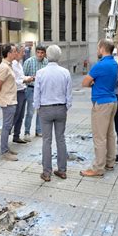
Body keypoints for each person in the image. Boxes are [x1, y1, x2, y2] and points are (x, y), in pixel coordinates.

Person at [80, 39, 118, 177]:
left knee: (99, 137)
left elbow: (85, 82)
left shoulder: (99, 65)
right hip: (113, 101)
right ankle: (110, 161)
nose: (97, 50)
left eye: (98, 48)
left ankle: (98, 168)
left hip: (101, 103)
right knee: (109, 134)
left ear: (102, 48)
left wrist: (93, 84)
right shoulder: (114, 63)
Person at [34, 45, 72, 181]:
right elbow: (69, 94)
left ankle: (46, 172)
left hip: (45, 108)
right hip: (61, 108)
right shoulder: (65, 72)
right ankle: (62, 170)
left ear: (46, 56)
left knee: (46, 140)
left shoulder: (40, 73)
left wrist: (37, 107)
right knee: (61, 139)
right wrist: (66, 106)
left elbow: (36, 94)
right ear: (59, 56)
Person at [0, 43, 18, 161]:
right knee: (6, 126)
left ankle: (6, 148)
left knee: (8, 126)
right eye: (14, 51)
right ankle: (4, 151)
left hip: (11, 100)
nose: (16, 53)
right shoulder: (4, 67)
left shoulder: (9, 65)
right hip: (7, 101)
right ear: (8, 53)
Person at [23, 45, 48, 141]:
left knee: (40, 112)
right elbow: (23, 76)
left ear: (44, 53)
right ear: (35, 52)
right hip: (31, 89)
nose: (40, 54)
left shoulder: (47, 62)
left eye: (42, 53)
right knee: (30, 112)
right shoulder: (29, 62)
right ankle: (27, 132)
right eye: (38, 52)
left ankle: (38, 130)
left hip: (42, 90)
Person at [11, 45, 34, 144]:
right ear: (16, 53)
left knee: (21, 115)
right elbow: (15, 80)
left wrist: (29, 77)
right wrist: (26, 80)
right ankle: (9, 132)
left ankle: (16, 135)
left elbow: (21, 76)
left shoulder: (19, 64)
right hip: (17, 91)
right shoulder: (12, 65)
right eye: (22, 52)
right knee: (16, 115)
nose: (24, 54)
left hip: (22, 90)